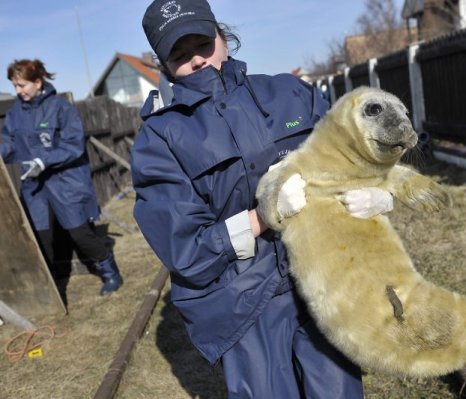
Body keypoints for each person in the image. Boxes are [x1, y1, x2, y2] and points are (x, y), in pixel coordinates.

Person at [133, 1, 393, 397]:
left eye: (203, 44)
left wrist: (377, 189)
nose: (198, 60)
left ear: (223, 37)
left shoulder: (290, 93)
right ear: (165, 66)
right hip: (239, 301)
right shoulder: (159, 139)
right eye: (181, 56)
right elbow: (183, 249)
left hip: (320, 278)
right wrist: (260, 219)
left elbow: (350, 155)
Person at [0, 59, 123, 296]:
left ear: (38, 82)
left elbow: (74, 145)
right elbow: (11, 144)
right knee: (40, 236)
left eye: (22, 85)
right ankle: (51, 285)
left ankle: (110, 272)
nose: (18, 91)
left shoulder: (60, 108)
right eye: (15, 86)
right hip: (34, 185)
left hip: (65, 181)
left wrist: (43, 160)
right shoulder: (16, 114)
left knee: (79, 232)